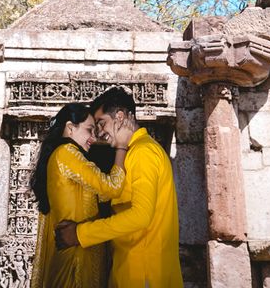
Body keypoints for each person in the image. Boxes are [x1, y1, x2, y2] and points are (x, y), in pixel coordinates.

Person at [55, 88, 183, 288]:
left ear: (120, 116)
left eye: (101, 123)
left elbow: (141, 215)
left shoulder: (143, 153)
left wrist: (80, 234)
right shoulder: (135, 153)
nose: (99, 132)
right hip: (133, 270)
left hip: (143, 273)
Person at [30, 102, 129, 288]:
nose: (93, 138)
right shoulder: (68, 153)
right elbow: (112, 187)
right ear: (70, 128)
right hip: (75, 261)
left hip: (72, 256)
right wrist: (121, 148)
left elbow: (100, 195)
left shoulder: (61, 155)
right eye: (89, 130)